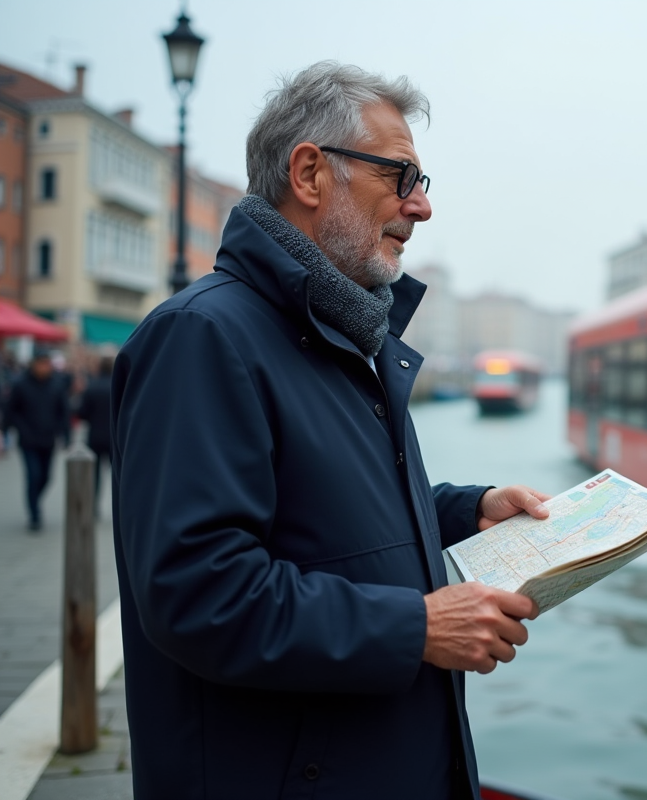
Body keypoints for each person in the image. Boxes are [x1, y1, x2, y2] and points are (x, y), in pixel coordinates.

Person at [111, 62, 552, 799]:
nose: (421, 208)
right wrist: (414, 627)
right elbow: (196, 590)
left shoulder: (342, 332)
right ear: (311, 174)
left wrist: (464, 511)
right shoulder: (203, 336)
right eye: (401, 176)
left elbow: (321, 506)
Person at [2, 350, 71, 531]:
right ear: (33, 364)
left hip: (48, 439)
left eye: (46, 363)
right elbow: (10, 411)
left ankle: (34, 499)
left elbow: (63, 412)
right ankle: (35, 514)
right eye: (41, 363)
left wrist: (66, 435)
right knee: (33, 476)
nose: (44, 367)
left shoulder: (56, 384)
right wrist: (6, 432)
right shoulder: (20, 384)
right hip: (28, 439)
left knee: (46, 477)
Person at [76, 354, 114, 514]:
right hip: (115, 438)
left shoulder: (92, 387)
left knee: (94, 475)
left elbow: (82, 413)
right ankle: (120, 506)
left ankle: (94, 506)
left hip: (95, 437)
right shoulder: (120, 387)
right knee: (118, 475)